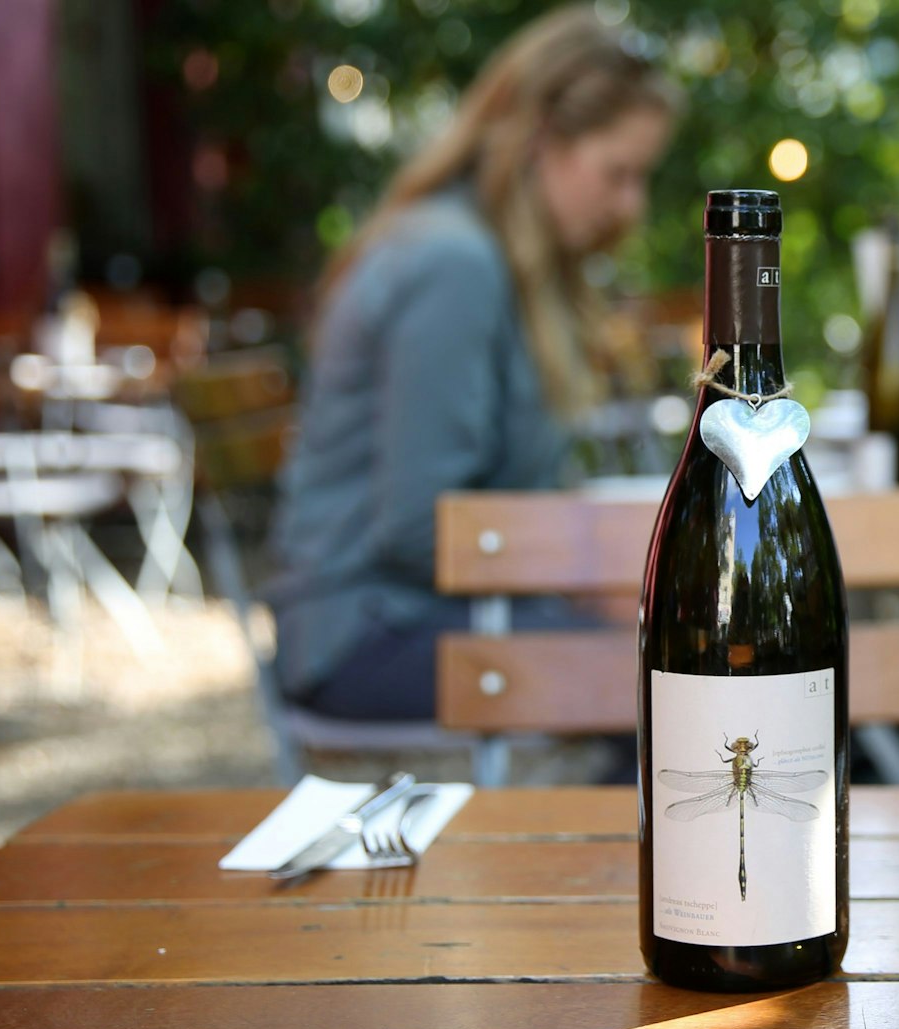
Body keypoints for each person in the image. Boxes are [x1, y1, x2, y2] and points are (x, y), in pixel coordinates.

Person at [268, 6, 676, 721]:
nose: (629, 205)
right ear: (541, 141)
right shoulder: (454, 265)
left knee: (700, 668)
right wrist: (585, 579)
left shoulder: (493, 261)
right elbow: (422, 527)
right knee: (687, 685)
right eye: (617, 173)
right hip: (369, 631)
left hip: (418, 617)